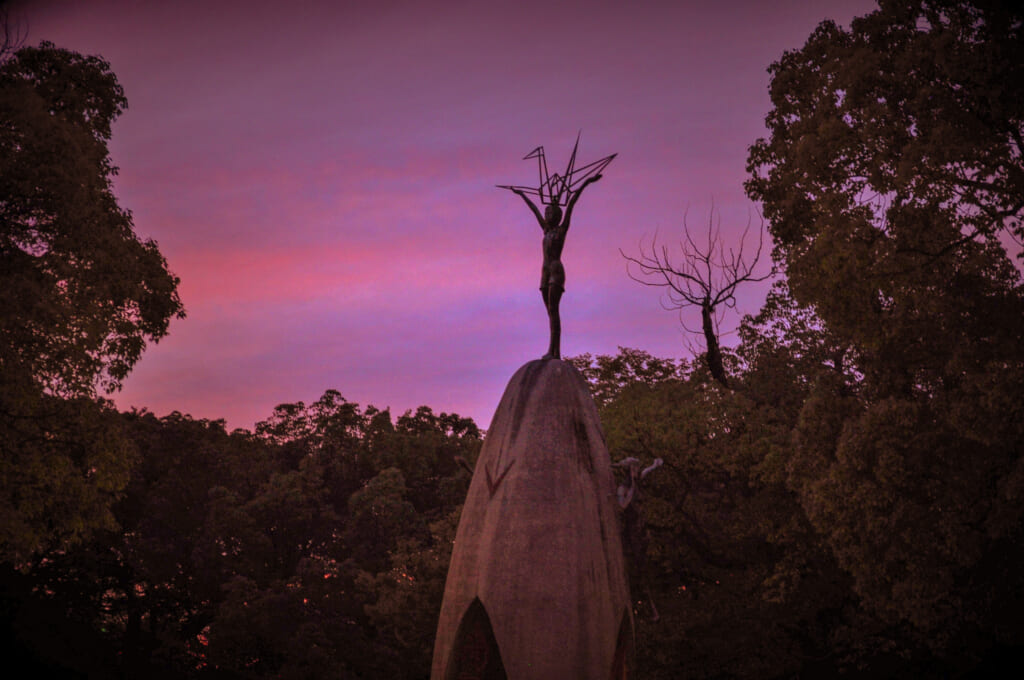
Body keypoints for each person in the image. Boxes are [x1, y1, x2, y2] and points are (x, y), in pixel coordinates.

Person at [511, 173, 602, 359]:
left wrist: (586, 182)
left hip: (556, 271)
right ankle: (552, 350)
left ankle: (555, 352)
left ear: (557, 215)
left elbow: (572, 203)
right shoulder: (546, 229)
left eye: (550, 213)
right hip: (544, 272)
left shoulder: (562, 229)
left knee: (554, 311)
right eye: (546, 213)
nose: (547, 215)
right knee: (550, 313)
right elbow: (534, 210)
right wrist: (521, 194)